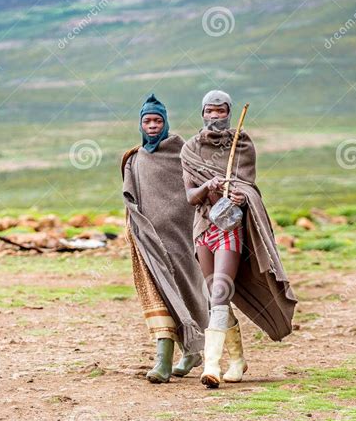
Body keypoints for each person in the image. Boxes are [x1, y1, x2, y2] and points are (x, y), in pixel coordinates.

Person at [181, 90, 297, 388]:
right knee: (214, 297)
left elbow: (250, 188)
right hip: (203, 229)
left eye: (221, 111)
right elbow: (190, 197)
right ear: (202, 112)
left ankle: (210, 366)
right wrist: (207, 185)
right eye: (210, 111)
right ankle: (236, 360)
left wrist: (239, 195)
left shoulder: (241, 144)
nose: (215, 116)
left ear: (229, 113)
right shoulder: (190, 150)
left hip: (230, 228)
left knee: (220, 292)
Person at [121, 93, 208, 383]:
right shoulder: (135, 159)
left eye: (158, 120)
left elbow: (192, 191)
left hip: (180, 239)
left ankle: (192, 352)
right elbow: (131, 199)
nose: (153, 125)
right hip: (149, 241)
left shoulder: (181, 153)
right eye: (147, 121)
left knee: (185, 291)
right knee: (159, 294)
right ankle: (163, 361)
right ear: (140, 124)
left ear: (166, 122)